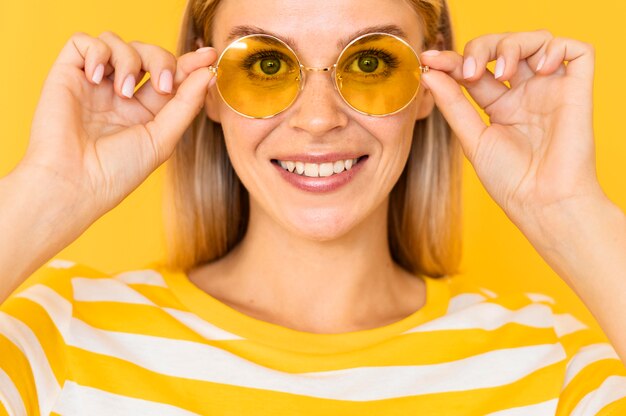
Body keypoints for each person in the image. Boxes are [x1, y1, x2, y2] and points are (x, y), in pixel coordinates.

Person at [1, 0, 625, 414]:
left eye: (373, 60)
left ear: (431, 83)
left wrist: (569, 209)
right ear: (206, 87)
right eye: (267, 63)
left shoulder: (548, 361)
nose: (321, 120)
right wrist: (49, 191)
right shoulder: (58, 335)